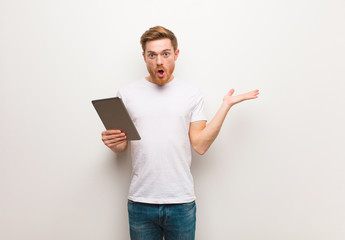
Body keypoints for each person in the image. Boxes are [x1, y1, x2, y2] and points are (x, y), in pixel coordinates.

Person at [101, 26, 259, 240]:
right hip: (140, 203)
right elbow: (121, 146)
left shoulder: (191, 93)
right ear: (144, 57)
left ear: (175, 54)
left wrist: (226, 106)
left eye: (165, 54)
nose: (159, 61)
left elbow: (200, 145)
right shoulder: (126, 94)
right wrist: (113, 141)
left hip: (181, 203)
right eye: (152, 55)